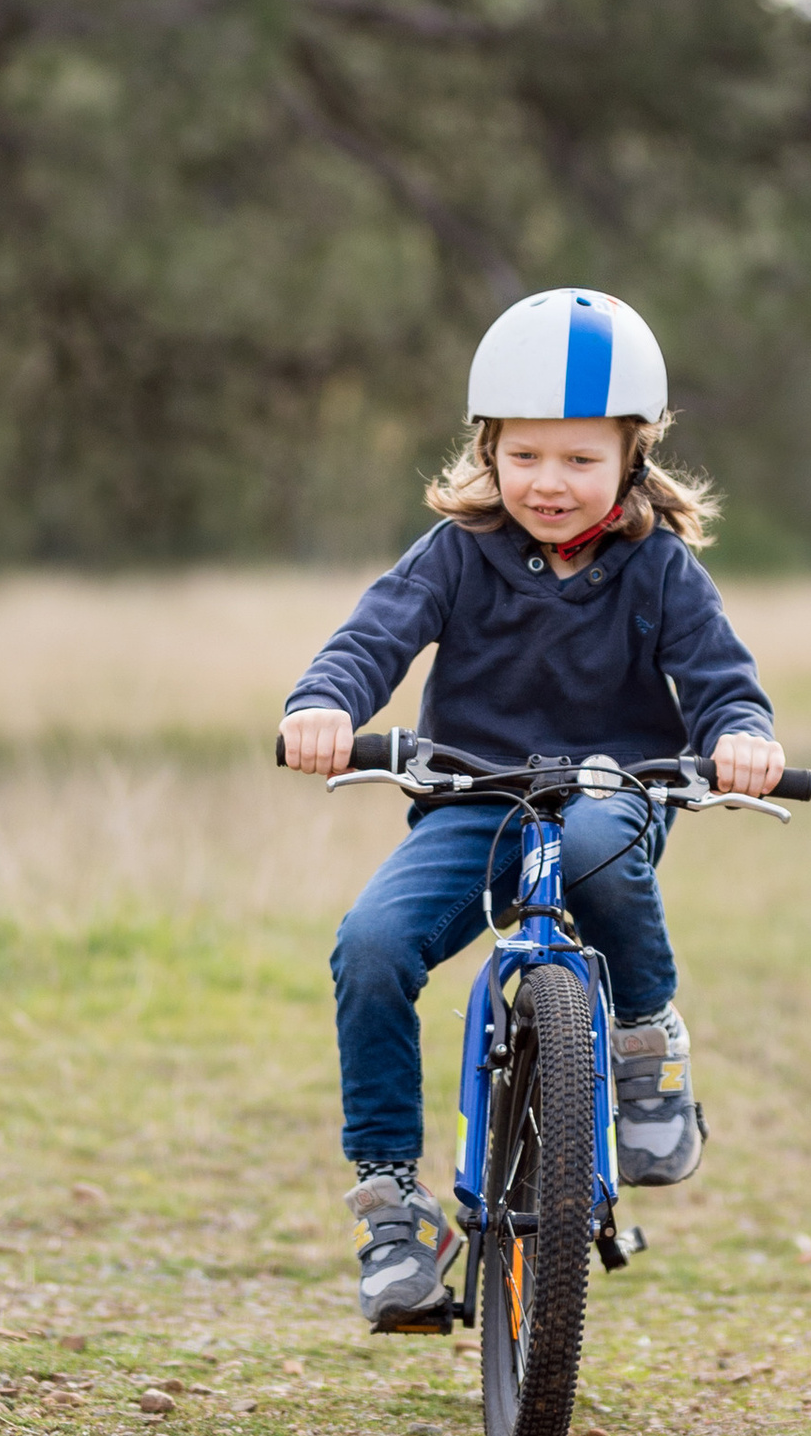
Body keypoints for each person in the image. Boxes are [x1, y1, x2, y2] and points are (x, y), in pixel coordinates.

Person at [280, 285, 785, 1330]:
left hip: (613, 793)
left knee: (599, 842)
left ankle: (644, 1040)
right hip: (476, 800)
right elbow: (374, 636)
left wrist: (740, 737)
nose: (548, 484)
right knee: (371, 946)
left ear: (632, 458)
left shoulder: (656, 569)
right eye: (524, 457)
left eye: (579, 460)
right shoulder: (456, 555)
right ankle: (389, 1207)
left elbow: (721, 679)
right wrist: (323, 703)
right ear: (487, 448)